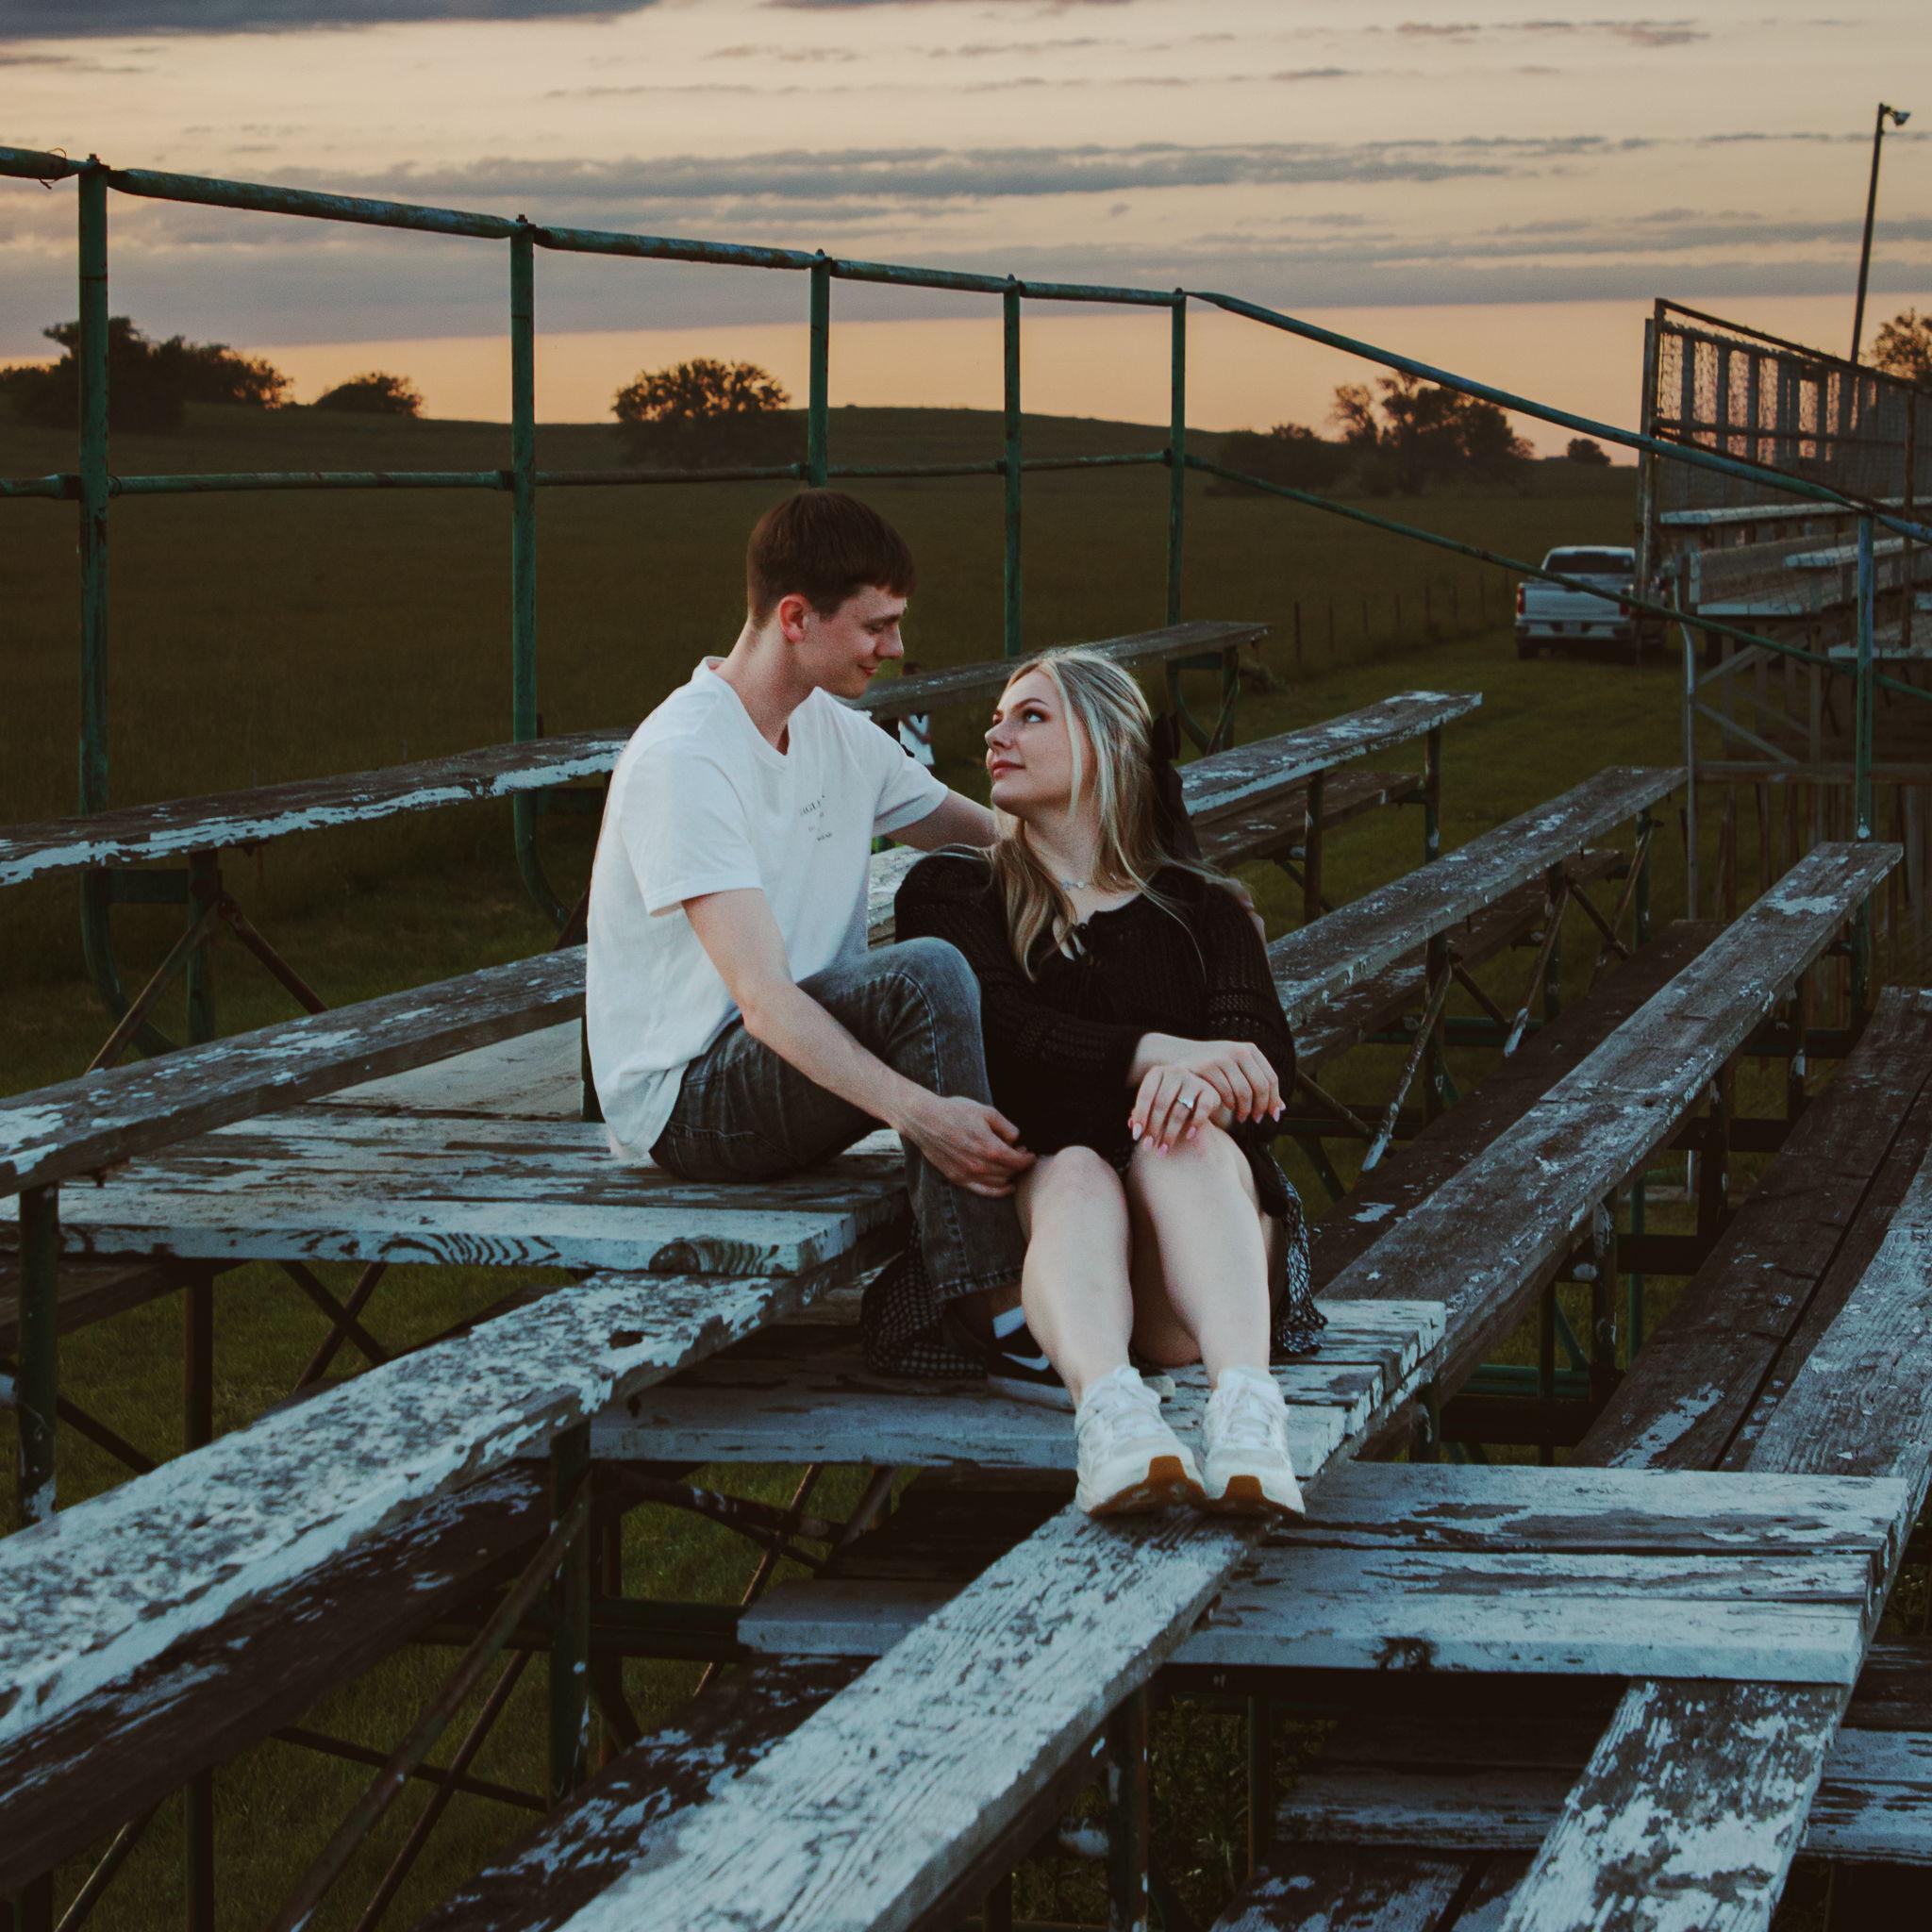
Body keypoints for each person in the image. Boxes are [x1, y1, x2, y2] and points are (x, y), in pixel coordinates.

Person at [866, 647, 1322, 1519]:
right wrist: (1162, 1057)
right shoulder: (956, 892)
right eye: (996, 720)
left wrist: (1201, 1090)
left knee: (1183, 1143)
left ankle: (1248, 1416)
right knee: (1075, 1166)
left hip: (1192, 1271)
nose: (996, 736)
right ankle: (1114, 1421)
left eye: (1031, 716)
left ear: (1108, 743)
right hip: (1049, 1258)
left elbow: (1263, 1060)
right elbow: (1009, 1036)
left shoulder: (1201, 908)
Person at [585, 490, 1030, 1331]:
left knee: (986, 911)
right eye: (876, 626)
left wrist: (1152, 886)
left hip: (791, 1058)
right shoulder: (686, 757)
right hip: (689, 1103)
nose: (895, 649)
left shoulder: (836, 733)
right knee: (926, 973)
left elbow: (990, 840)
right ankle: (988, 1316)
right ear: (795, 617)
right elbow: (763, 1002)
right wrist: (920, 1115)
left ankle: (1096, 1243)